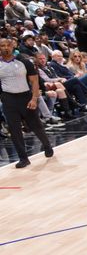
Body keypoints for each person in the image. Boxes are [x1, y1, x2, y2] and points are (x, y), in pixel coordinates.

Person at [0, 37, 53, 168]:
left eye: (8, 45)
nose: (6, 48)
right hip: (8, 99)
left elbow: (34, 82)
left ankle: (47, 146)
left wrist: (34, 98)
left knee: (36, 126)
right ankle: (23, 158)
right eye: (2, 45)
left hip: (25, 97)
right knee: (14, 129)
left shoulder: (25, 62)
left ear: (13, 46)